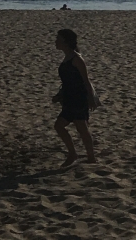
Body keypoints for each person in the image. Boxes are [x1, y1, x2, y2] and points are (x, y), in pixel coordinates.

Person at [52, 29, 96, 167]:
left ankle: (90, 157)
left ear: (65, 41)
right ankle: (73, 153)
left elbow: (86, 80)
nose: (55, 41)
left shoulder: (77, 59)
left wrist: (91, 98)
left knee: (81, 128)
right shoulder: (66, 57)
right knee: (59, 126)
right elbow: (66, 81)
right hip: (69, 98)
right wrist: (59, 95)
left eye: (58, 38)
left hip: (78, 99)